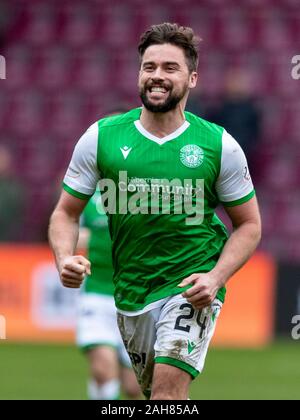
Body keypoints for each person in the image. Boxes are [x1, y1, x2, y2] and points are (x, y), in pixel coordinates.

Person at [49, 23, 261, 400]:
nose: (157, 76)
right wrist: (65, 257)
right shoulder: (101, 137)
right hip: (130, 293)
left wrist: (215, 278)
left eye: (170, 67)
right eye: (149, 67)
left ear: (192, 78)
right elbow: (66, 213)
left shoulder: (219, 145)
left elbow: (249, 225)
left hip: (189, 287)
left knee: (166, 392)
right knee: (150, 395)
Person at [76, 188, 141, 400]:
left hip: (134, 298)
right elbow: (72, 229)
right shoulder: (88, 198)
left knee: (134, 387)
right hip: (97, 293)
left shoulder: (142, 194)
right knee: (104, 370)